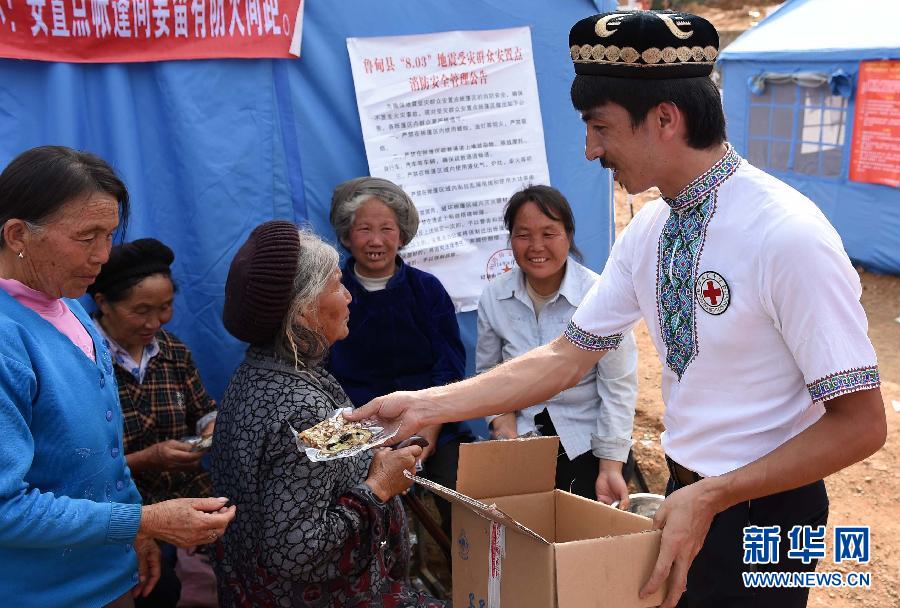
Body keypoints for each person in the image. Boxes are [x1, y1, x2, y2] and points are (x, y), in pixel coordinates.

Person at [347, 11, 887, 608]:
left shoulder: (788, 236)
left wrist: (714, 495)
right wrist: (427, 404)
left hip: (766, 518)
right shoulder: (652, 228)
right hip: (684, 495)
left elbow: (861, 424)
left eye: (600, 127)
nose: (590, 149)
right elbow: (563, 358)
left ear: (664, 119)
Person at [0, 146, 235, 608]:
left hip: (107, 575)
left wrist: (132, 535)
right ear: (16, 234)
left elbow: (104, 460)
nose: (103, 256)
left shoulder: (69, 308)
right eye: (88, 236)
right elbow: (6, 509)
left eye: (109, 235)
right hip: (43, 592)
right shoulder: (9, 337)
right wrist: (143, 522)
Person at [210, 221, 447, 608]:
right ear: (303, 311)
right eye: (337, 284)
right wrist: (380, 486)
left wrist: (372, 453)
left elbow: (309, 475)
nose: (349, 296)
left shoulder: (259, 373)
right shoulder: (302, 409)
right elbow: (295, 550)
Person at [327, 176, 473, 536]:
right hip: (355, 427)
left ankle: (469, 580)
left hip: (433, 419)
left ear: (402, 235)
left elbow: (449, 367)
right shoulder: (330, 292)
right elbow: (321, 372)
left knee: (468, 500)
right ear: (346, 236)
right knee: (347, 510)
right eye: (364, 229)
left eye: (386, 229)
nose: (376, 241)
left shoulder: (427, 290)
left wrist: (430, 429)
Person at [477, 184, 638, 505]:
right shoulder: (495, 296)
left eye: (549, 233)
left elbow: (618, 388)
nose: (537, 246)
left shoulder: (599, 296)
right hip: (523, 436)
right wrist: (503, 426)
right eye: (523, 235)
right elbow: (488, 373)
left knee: (578, 526)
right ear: (510, 239)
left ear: (569, 235)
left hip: (588, 440)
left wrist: (610, 465)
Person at [89, 237, 219, 607]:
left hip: (189, 494)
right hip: (122, 511)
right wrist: (148, 458)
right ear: (103, 303)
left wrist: (210, 432)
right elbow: (77, 469)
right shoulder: (83, 360)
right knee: (156, 589)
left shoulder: (172, 351)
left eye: (164, 308)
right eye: (141, 310)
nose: (154, 322)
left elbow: (204, 410)